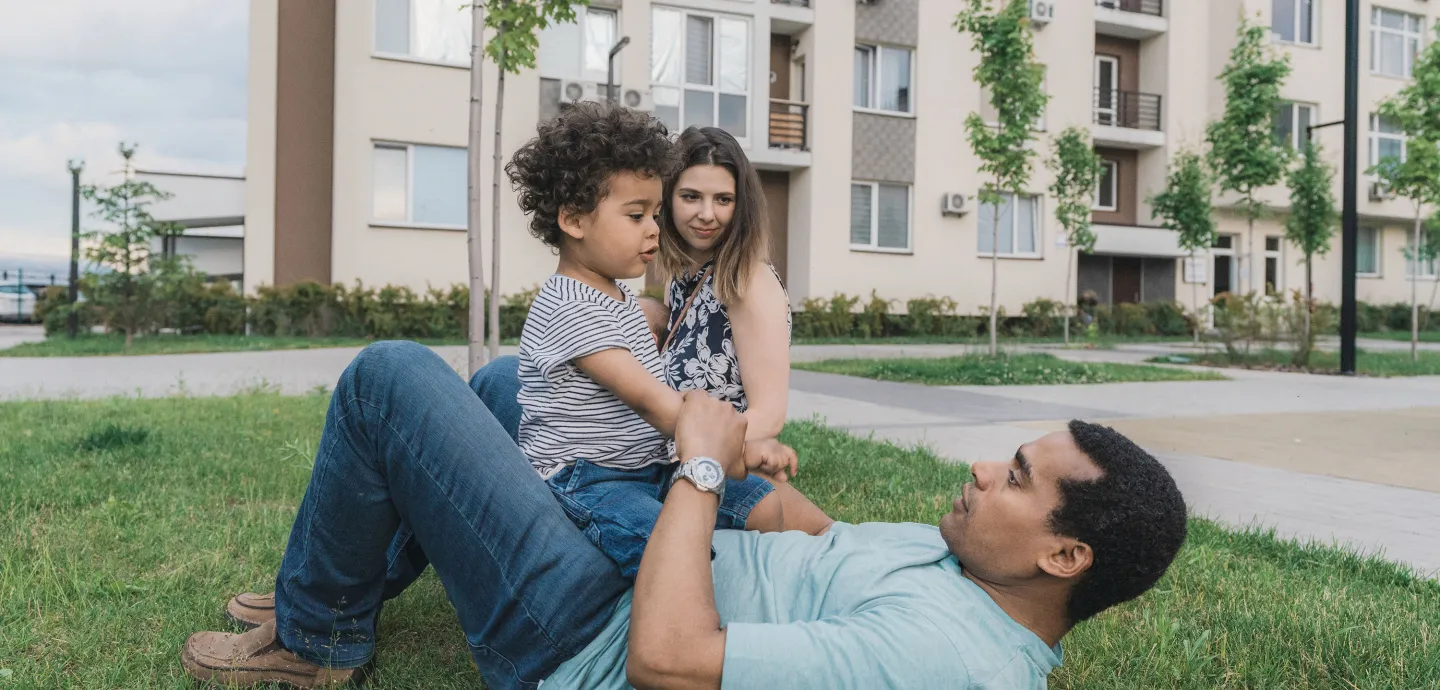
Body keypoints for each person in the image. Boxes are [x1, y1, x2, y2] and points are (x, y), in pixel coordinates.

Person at [180, 341, 1188, 689]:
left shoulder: (938, 660)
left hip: (585, 641)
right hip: (642, 566)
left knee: (390, 381)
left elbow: (668, 659)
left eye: (1014, 476)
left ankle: (317, 638)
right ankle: (337, 578)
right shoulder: (972, 575)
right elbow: (823, 545)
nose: (981, 468)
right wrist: (751, 469)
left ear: (1064, 554)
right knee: (504, 387)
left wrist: (699, 477)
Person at [650, 125, 831, 535]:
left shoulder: (747, 281)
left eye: (723, 199)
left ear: (741, 205)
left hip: (718, 468)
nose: (706, 214)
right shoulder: (682, 276)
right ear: (668, 197)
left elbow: (768, 413)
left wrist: (710, 451)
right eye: (691, 196)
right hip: (677, 460)